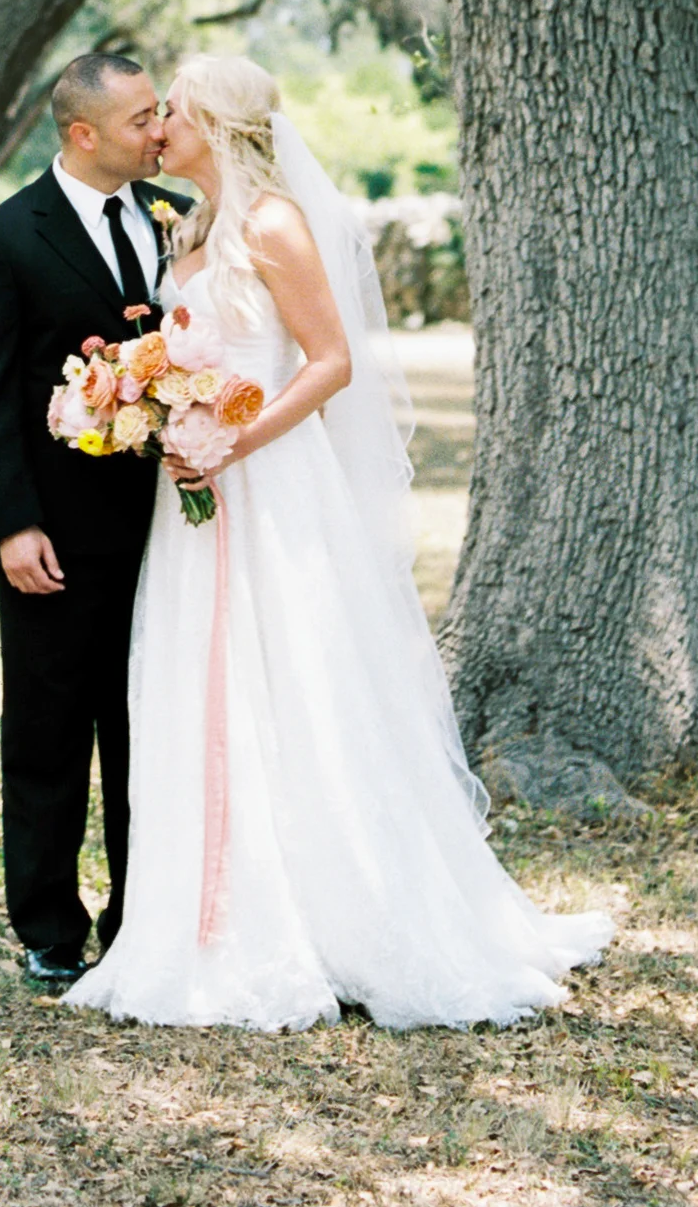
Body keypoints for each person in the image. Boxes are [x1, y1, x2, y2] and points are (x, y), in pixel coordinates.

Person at [65, 53, 614, 1031]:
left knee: (300, 684)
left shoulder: (272, 223)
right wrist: (147, 403)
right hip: (192, 497)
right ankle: (208, 917)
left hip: (270, 486)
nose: (158, 130)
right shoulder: (184, 226)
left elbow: (331, 361)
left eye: (175, 113)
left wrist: (237, 433)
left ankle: (338, 912)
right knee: (203, 687)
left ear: (221, 126)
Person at [0, 47, 179, 991]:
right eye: (140, 119)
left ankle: (142, 914)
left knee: (146, 727)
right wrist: (13, 525)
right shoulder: (1, 238)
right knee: (48, 730)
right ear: (83, 134)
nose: (158, 131)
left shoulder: (178, 224)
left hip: (170, 526)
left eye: (160, 112)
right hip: (54, 533)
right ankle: (48, 923)